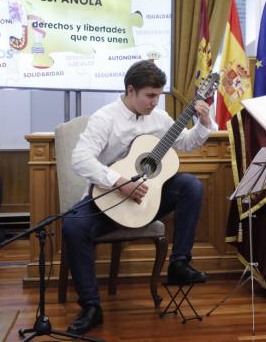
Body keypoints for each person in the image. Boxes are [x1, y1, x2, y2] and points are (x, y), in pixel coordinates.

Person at [62, 60, 215, 335]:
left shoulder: (159, 118)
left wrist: (203, 122)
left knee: (191, 185)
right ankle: (91, 307)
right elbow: (80, 159)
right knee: (73, 226)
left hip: (148, 199)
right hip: (108, 200)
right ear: (131, 90)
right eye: (150, 96)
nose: (155, 102)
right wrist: (119, 182)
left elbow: (187, 143)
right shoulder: (104, 118)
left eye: (158, 95)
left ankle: (179, 263)